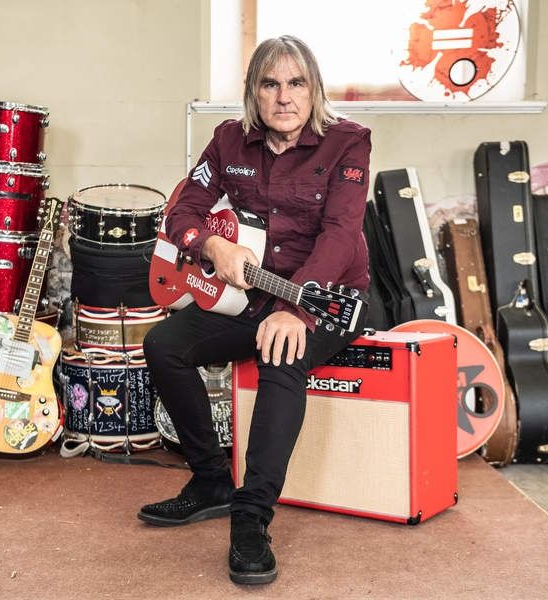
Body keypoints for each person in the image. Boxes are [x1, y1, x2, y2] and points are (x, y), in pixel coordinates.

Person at [140, 35, 372, 585]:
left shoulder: (348, 143)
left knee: (280, 356)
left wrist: (298, 308)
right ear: (253, 93)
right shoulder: (227, 141)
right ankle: (210, 480)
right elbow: (182, 214)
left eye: (296, 83)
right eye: (271, 83)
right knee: (163, 346)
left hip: (328, 299)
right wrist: (212, 246)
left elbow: (341, 236)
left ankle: (251, 519)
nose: (284, 96)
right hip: (252, 294)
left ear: (314, 91)